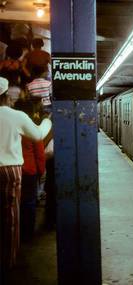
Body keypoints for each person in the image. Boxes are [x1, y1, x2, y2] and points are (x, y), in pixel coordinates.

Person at [0, 77, 51, 276]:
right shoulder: (16, 116)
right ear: (6, 97)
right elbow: (38, 135)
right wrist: (47, 120)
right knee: (10, 215)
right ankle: (8, 260)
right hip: (10, 169)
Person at [14, 99, 46, 241]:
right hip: (29, 170)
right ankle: (27, 233)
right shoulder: (32, 127)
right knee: (29, 202)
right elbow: (39, 153)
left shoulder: (11, 125)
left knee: (14, 203)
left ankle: (15, 232)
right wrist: (41, 171)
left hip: (13, 168)